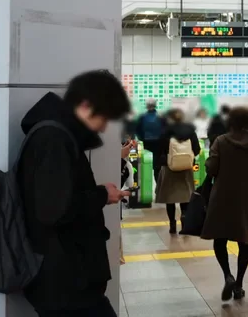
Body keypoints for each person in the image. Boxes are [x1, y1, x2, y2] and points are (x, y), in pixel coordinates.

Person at [17, 70, 131, 316]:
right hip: (66, 282)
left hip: (68, 279)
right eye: (105, 116)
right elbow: (53, 210)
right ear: (86, 105)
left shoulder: (58, 136)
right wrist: (102, 195)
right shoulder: (54, 139)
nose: (103, 127)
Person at [202, 107, 248, 303]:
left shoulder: (221, 141)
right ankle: (239, 285)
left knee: (220, 240)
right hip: (246, 199)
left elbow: (211, 167)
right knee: (244, 241)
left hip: (222, 197)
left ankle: (227, 275)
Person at [154, 108, 200, 235]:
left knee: (171, 199)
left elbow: (158, 151)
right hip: (186, 168)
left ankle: (172, 224)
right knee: (185, 197)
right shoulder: (190, 132)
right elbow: (197, 150)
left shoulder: (164, 132)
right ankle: (184, 221)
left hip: (169, 168)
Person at [134, 98, 166, 182]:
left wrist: (142, 138)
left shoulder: (142, 117)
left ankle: (146, 181)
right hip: (159, 144)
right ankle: (157, 181)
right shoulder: (161, 116)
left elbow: (137, 129)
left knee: (147, 162)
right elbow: (165, 129)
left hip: (147, 143)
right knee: (157, 165)